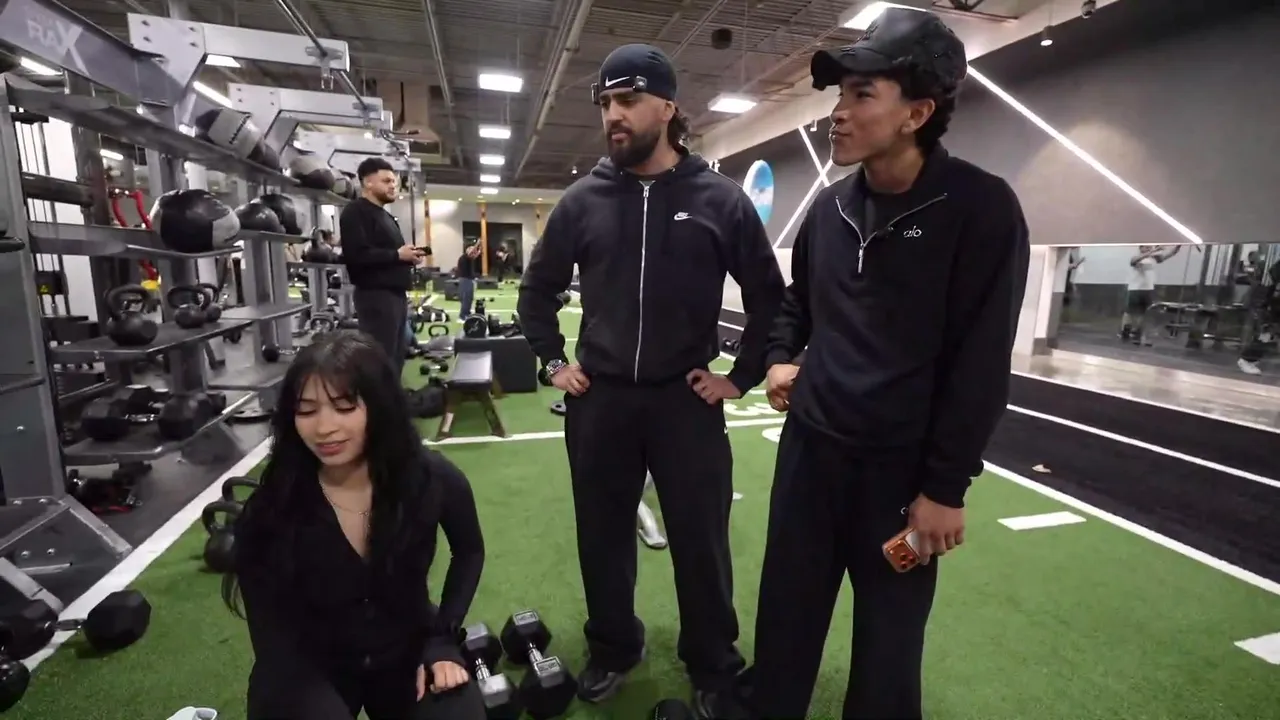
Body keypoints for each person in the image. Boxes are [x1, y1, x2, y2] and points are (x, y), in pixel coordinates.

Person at [745, 10, 1030, 720]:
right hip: (810, 456)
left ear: (917, 113)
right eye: (839, 95)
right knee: (784, 625)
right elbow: (798, 304)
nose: (837, 113)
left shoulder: (981, 210)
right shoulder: (829, 210)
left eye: (861, 94)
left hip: (900, 476)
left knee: (888, 650)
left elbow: (981, 361)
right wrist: (779, 358)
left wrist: (945, 487)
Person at [516, 43, 786, 719]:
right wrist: (553, 362)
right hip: (600, 399)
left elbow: (770, 298)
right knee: (602, 536)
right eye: (606, 102)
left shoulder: (719, 200)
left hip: (684, 401)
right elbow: (536, 292)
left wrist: (741, 377)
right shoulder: (583, 201)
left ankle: (713, 663)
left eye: (628, 100)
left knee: (701, 542)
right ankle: (613, 648)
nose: (614, 114)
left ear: (667, 107)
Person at [221, 331, 486, 720]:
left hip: (404, 647)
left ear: (379, 408)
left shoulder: (431, 478)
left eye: (344, 407)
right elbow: (273, 638)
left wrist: (442, 641)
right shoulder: (271, 508)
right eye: (306, 411)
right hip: (309, 660)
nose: (324, 428)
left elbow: (470, 551)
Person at [340, 157, 423, 377]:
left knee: (396, 357)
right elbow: (356, 255)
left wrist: (409, 257)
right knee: (379, 359)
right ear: (367, 182)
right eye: (386, 181)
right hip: (376, 297)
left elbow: (392, 255)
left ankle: (391, 396)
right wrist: (397, 254)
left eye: (394, 181)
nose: (393, 185)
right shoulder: (355, 212)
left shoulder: (387, 217)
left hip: (396, 295)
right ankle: (377, 399)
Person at [1121, 244, 1179, 345]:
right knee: (1129, 312)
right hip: (1135, 289)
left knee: (1144, 312)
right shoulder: (1137, 257)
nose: (1149, 248)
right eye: (1146, 246)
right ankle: (1125, 331)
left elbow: (1170, 254)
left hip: (1148, 289)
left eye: (1150, 246)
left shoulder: (1154, 258)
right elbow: (1133, 262)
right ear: (1141, 248)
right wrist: (1154, 250)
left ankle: (1137, 332)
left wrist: (1178, 246)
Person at [455, 243, 482, 317]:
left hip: (468, 280)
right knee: (466, 298)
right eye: (473, 252)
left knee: (469, 298)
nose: (474, 254)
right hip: (465, 280)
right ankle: (463, 315)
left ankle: (467, 312)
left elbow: (475, 255)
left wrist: (479, 250)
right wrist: (477, 243)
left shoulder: (469, 258)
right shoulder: (465, 257)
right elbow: (471, 252)